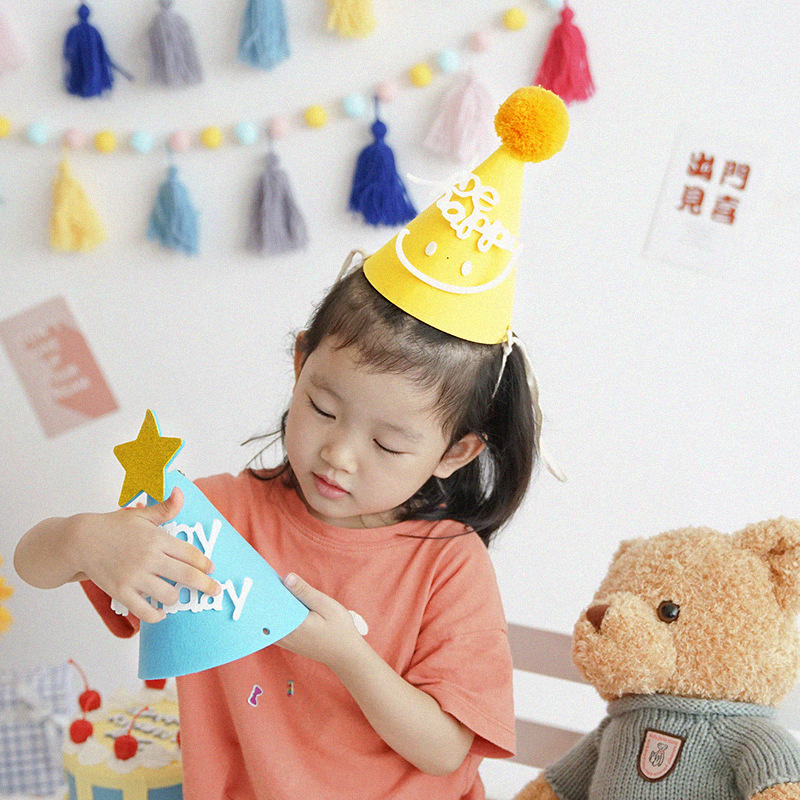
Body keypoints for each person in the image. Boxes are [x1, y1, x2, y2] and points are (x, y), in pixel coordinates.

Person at [15, 86, 569, 799]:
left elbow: (444, 751)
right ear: (301, 362)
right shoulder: (218, 518)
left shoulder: (447, 566)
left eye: (389, 445)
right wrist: (87, 540)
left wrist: (346, 655)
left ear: (455, 452)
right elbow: (33, 562)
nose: (339, 454)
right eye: (323, 408)